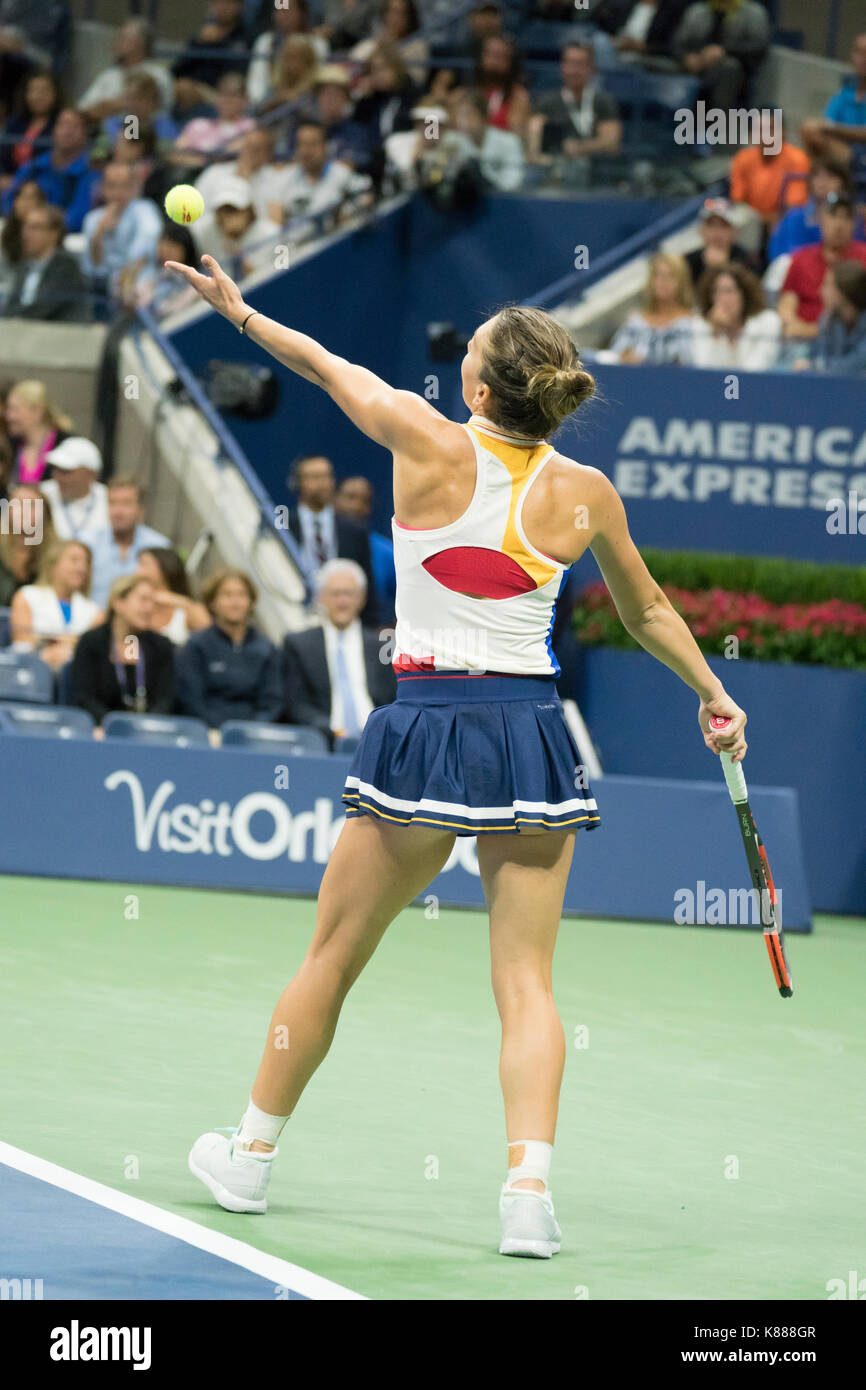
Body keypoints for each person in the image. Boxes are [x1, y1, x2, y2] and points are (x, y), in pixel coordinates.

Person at [167, 250, 748, 1253]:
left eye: (467, 355)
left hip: (424, 727)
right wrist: (713, 692)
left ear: (479, 386)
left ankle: (248, 1158)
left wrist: (240, 314)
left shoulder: (420, 436)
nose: (457, 366)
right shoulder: (584, 492)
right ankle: (527, 1196)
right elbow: (648, 608)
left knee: (332, 958)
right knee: (525, 983)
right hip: (529, 735)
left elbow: (321, 365)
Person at [281, 557, 395, 745]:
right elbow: (296, 704)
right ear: (320, 597)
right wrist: (329, 731)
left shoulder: (382, 645)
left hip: (376, 742)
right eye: (335, 594)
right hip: (322, 743)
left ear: (362, 598)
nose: (342, 601)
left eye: (349, 593)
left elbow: (392, 701)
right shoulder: (298, 645)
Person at [176, 566, 283, 727]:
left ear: (251, 602)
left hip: (255, 734)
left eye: (242, 595)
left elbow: (273, 701)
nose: (235, 602)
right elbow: (192, 701)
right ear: (212, 602)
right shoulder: (197, 645)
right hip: (208, 732)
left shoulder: (266, 648)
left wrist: (252, 730)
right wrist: (221, 731)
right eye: (227, 595)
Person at [70, 572, 175, 729]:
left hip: (150, 732)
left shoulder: (161, 646)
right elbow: (83, 697)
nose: (149, 608)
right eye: (143, 600)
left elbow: (166, 699)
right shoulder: (91, 642)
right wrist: (115, 727)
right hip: (100, 730)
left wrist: (146, 727)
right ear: (118, 603)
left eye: (152, 602)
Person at [283, 453, 376, 622]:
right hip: (294, 614)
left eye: (327, 476)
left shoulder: (354, 530)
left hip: (344, 618)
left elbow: (368, 585)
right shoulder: (284, 527)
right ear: (297, 483)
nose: (323, 483)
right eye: (315, 477)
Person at [778, 193, 866, 341]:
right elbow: (785, 310)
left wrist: (817, 332)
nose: (839, 224)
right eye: (833, 216)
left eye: (846, 217)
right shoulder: (801, 259)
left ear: (854, 224)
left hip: (852, 341)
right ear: (821, 219)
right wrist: (803, 330)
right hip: (802, 341)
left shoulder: (863, 257)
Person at [0, 108, 98, 233]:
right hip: (22, 234)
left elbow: (76, 219)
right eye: (63, 125)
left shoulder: (90, 174)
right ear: (54, 130)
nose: (67, 132)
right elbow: (8, 200)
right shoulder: (34, 167)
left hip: (63, 242)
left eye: (75, 126)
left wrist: (37, 222)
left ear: (85, 134)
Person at [10, 536, 101, 670]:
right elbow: (22, 641)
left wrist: (51, 641)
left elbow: (93, 649)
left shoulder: (94, 611)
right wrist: (70, 643)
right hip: (31, 671)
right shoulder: (26, 596)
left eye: (86, 562)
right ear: (54, 563)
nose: (81, 568)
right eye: (74, 560)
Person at [80, 161, 163, 305]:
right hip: (104, 290)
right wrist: (99, 233)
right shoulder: (92, 219)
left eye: (124, 186)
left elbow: (145, 248)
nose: (117, 193)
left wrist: (125, 276)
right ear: (102, 188)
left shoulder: (144, 209)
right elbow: (92, 268)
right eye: (112, 186)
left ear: (134, 187)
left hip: (141, 282)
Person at [528, 43, 622, 165]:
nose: (574, 70)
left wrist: (577, 147)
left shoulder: (602, 102)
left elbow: (611, 143)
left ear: (591, 68)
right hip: (557, 170)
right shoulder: (547, 102)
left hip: (597, 173)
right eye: (570, 64)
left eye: (580, 64)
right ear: (562, 67)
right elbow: (534, 141)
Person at [266, 120, 372, 228]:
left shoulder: (340, 173)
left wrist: (347, 212)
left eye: (312, 144)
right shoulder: (285, 178)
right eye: (301, 144)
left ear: (325, 147)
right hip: (296, 241)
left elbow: (366, 197)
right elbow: (274, 220)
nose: (306, 151)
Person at [801, 32, 866, 207]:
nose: (861, 59)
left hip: (861, 155)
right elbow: (824, 126)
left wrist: (833, 130)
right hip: (842, 154)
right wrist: (829, 130)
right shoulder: (844, 94)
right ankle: (818, 190)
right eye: (858, 53)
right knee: (810, 128)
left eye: (865, 54)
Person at [672, 0, 770, 113]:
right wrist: (685, 56)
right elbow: (676, 42)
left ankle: (719, 126)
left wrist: (724, 51)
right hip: (694, 63)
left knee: (729, 67)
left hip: (729, 69)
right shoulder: (698, 10)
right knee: (653, 64)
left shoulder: (754, 12)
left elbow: (758, 47)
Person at [88, 475, 170, 609]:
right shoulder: (88, 543)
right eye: (112, 503)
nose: (118, 511)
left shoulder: (159, 547)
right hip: (92, 622)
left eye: (126, 503)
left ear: (141, 509)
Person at [2, 203, 90, 322]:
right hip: (22, 333)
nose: (25, 234)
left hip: (60, 334)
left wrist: (13, 320)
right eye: (25, 227)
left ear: (54, 233)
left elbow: (44, 306)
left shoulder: (67, 266)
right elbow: (10, 305)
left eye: (35, 228)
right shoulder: (23, 266)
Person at [607, 251, 696, 364]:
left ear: (681, 282)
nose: (663, 282)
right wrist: (625, 358)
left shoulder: (693, 322)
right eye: (658, 275)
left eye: (670, 276)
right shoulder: (634, 323)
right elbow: (613, 357)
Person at [76, 17, 173, 120]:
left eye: (123, 37)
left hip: (143, 132)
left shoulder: (158, 74)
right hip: (104, 130)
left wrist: (117, 106)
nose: (116, 41)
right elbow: (82, 110)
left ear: (141, 43)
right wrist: (109, 106)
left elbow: (160, 110)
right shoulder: (109, 75)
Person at [691, 263, 781, 371]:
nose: (722, 299)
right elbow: (702, 370)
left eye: (729, 291)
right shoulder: (701, 324)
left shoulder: (768, 322)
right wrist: (715, 333)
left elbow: (756, 369)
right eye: (716, 292)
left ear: (744, 295)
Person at [767, 157, 857, 263]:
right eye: (817, 176)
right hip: (797, 270)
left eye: (830, 176)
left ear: (843, 182)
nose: (822, 182)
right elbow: (779, 255)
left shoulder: (852, 217)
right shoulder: (795, 216)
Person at [334, 474, 396, 625]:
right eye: (350, 497)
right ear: (334, 501)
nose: (356, 506)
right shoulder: (322, 542)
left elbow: (414, 596)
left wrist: (391, 630)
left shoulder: (387, 551)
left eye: (364, 501)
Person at [728, 120, 811, 233]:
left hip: (783, 222)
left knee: (792, 219)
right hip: (751, 223)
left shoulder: (798, 159)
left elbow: (794, 204)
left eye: (770, 129)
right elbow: (738, 199)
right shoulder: (742, 158)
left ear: (783, 132)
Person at [191, 177, 282, 277]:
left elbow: (282, 274)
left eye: (233, 210)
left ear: (249, 209)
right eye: (222, 211)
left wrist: (239, 261)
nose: (227, 217)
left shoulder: (273, 233)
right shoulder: (207, 235)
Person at [247, 0, 329, 110]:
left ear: (302, 13)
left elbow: (318, 78)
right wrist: (261, 102)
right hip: (272, 102)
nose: (283, 15)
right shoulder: (266, 41)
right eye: (279, 10)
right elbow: (257, 80)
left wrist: (299, 96)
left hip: (308, 102)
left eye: (288, 10)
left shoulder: (317, 43)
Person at [800, 261, 866, 377]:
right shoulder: (827, 319)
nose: (821, 290)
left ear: (845, 291)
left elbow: (857, 364)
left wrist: (813, 367)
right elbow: (817, 356)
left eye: (827, 285)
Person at [39, 436, 109, 544]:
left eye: (66, 471)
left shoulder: (110, 500)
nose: (57, 477)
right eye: (55, 469)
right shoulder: (41, 494)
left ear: (91, 475)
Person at [135, 546, 210, 645]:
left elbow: (209, 631)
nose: (137, 571)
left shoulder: (185, 609)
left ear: (164, 567)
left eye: (144, 564)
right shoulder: (134, 603)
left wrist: (176, 601)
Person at [452, 90, 525, 191]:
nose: (464, 121)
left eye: (469, 114)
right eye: (461, 115)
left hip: (502, 200)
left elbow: (513, 180)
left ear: (484, 117)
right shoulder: (453, 143)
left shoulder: (509, 142)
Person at [5, 378, 73, 485]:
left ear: (36, 411)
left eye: (14, 410)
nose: (8, 416)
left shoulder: (66, 444)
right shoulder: (9, 445)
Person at [350, 0, 429, 89]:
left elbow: (416, 81)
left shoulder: (417, 47)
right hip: (372, 95)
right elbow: (354, 70)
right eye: (390, 12)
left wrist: (389, 50)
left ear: (409, 17)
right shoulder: (371, 43)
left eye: (400, 13)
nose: (394, 18)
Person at [0, 68, 60, 182]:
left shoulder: (60, 123)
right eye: (34, 91)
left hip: (44, 184)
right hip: (8, 183)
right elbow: (2, 155)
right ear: (26, 94)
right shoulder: (14, 123)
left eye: (44, 90)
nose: (38, 96)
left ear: (55, 93)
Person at [470, 34, 531, 140]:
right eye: (490, 54)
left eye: (499, 56)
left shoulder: (518, 97)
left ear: (510, 62)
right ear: (481, 57)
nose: (493, 61)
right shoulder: (463, 94)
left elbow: (516, 136)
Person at [684, 196, 751, 286]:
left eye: (723, 226)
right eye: (711, 225)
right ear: (702, 231)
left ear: (734, 232)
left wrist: (723, 267)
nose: (716, 232)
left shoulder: (747, 261)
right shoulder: (689, 262)